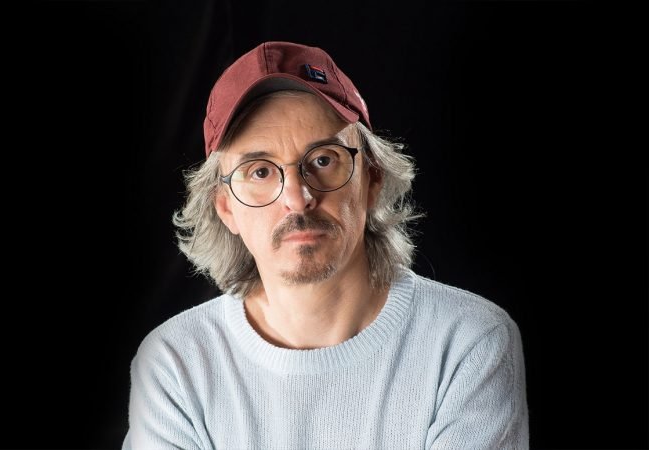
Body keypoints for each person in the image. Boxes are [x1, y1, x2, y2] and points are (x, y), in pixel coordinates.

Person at [123, 41, 529, 449]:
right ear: (226, 207)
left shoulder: (467, 343)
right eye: (260, 171)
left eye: (323, 160)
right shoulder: (175, 364)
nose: (297, 198)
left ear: (371, 179)